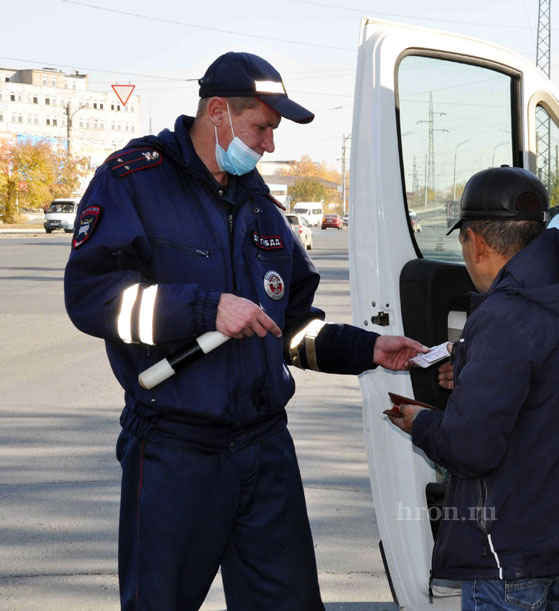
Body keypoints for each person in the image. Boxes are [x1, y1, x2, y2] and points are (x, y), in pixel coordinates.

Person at [64, 51, 424, 610]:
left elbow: (289, 330)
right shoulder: (132, 181)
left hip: (263, 448)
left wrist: (369, 348)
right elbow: (93, 299)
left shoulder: (261, 206)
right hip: (174, 449)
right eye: (262, 127)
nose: (269, 145)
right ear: (218, 113)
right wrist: (205, 308)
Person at [387, 166, 559, 610]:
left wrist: (423, 422)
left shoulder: (505, 314)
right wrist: (470, 367)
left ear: (478, 242)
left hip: (511, 552)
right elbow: (555, 390)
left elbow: (470, 446)